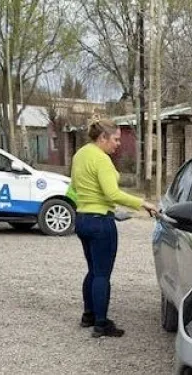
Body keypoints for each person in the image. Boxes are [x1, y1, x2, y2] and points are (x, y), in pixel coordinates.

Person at [71, 119, 158, 338]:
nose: (118, 144)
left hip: (82, 219)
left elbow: (74, 187)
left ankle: (88, 315)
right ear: (103, 137)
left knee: (93, 270)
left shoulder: (80, 155)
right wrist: (142, 203)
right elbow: (112, 194)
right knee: (102, 274)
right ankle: (101, 324)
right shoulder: (102, 159)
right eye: (116, 139)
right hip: (100, 221)